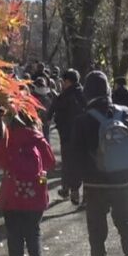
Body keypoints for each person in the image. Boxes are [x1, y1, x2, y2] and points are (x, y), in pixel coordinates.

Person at [70, 70, 128, 256]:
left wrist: (73, 186)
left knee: (97, 231)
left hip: (95, 183)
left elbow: (75, 156)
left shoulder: (82, 120)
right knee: (125, 223)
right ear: (109, 90)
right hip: (122, 179)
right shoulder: (125, 113)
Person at [0, 108, 56, 256]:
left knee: (15, 239)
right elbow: (50, 163)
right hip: (35, 194)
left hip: (12, 195)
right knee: (33, 231)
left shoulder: (9, 138)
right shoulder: (37, 137)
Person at [49, 69, 85, 205]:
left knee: (68, 162)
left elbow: (53, 109)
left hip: (66, 134)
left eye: (63, 81)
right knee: (78, 162)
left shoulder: (64, 96)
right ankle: (74, 189)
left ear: (68, 81)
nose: (62, 84)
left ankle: (67, 188)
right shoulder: (83, 94)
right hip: (82, 134)